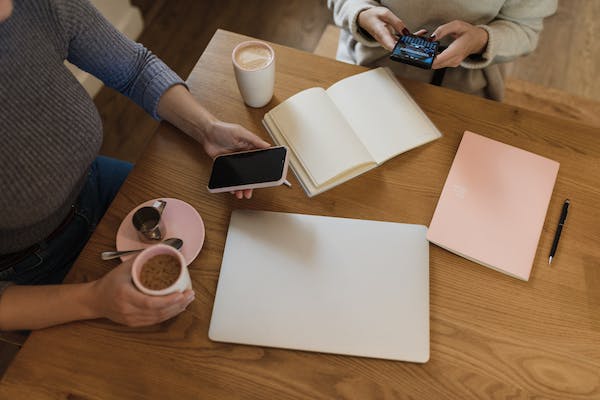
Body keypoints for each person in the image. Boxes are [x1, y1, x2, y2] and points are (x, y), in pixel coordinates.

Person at [0, 0, 270, 330]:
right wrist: (93, 299)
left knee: (242, 264)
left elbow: (134, 68)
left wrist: (207, 129)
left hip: (95, 185)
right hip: (28, 274)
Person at [328, 0, 558, 100]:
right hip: (365, 67)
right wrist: (360, 13)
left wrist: (482, 40)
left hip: (467, 88)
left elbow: (526, 29)